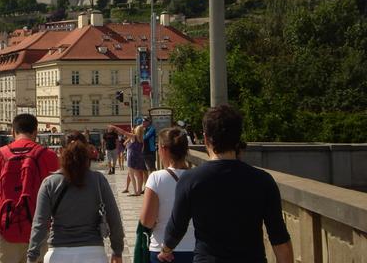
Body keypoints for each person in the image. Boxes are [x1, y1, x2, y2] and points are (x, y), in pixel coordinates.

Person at [158, 105, 294, 263]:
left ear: (206, 138)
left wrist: (165, 249)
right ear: (238, 139)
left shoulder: (191, 179)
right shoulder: (263, 180)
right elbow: (279, 238)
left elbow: (176, 227)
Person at [0, 114, 60, 263]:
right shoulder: (49, 156)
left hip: (7, 229)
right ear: (35, 132)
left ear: (13, 132)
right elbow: (60, 196)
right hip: (40, 230)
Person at [27, 132, 124, 263]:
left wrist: (32, 256)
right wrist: (117, 251)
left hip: (58, 253)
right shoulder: (98, 180)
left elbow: (39, 224)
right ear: (88, 152)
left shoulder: (49, 183)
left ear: (61, 151)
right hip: (94, 253)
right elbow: (114, 219)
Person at [139, 128, 194, 262]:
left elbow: (147, 221)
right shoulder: (197, 177)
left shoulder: (156, 178)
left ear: (164, 149)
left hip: (161, 249)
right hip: (193, 248)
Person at [110, 125, 146, 195]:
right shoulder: (142, 139)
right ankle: (139, 190)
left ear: (137, 130)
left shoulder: (133, 136)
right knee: (139, 175)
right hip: (139, 157)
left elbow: (124, 132)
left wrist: (115, 127)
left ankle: (135, 192)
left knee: (132, 175)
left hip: (132, 157)